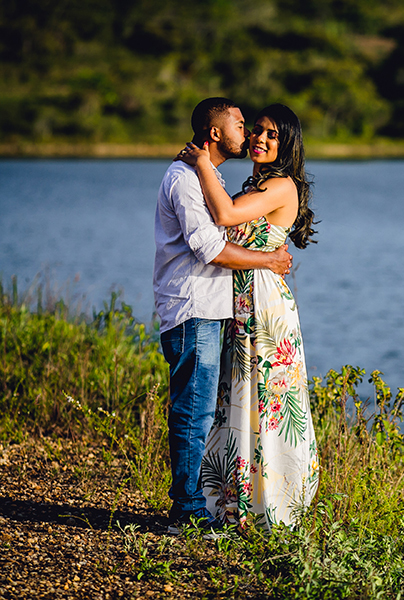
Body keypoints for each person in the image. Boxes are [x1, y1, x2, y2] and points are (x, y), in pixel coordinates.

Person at [153, 97, 293, 534]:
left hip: (217, 310)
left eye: (264, 131)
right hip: (193, 307)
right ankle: (187, 511)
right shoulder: (187, 178)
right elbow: (210, 248)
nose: (248, 133)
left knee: (208, 410)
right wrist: (269, 260)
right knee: (194, 411)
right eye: (241, 124)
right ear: (215, 133)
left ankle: (215, 502)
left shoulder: (209, 176)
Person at [177, 103, 319, 528]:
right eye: (257, 130)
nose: (260, 138)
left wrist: (202, 162)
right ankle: (235, 502)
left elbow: (224, 215)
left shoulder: (282, 186)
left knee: (267, 400)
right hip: (240, 301)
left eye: (272, 134)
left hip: (264, 304)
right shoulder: (254, 185)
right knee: (240, 397)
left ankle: (273, 507)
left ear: (287, 143)